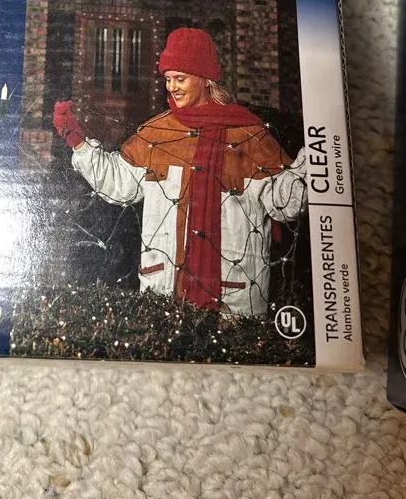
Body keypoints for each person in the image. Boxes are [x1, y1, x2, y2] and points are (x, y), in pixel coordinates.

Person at [53, 27, 306, 318]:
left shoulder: (248, 135)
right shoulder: (156, 133)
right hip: (165, 296)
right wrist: (79, 143)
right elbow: (120, 185)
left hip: (235, 304)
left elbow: (284, 203)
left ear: (204, 79)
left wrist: (318, 152)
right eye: (168, 79)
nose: (172, 87)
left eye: (180, 78)